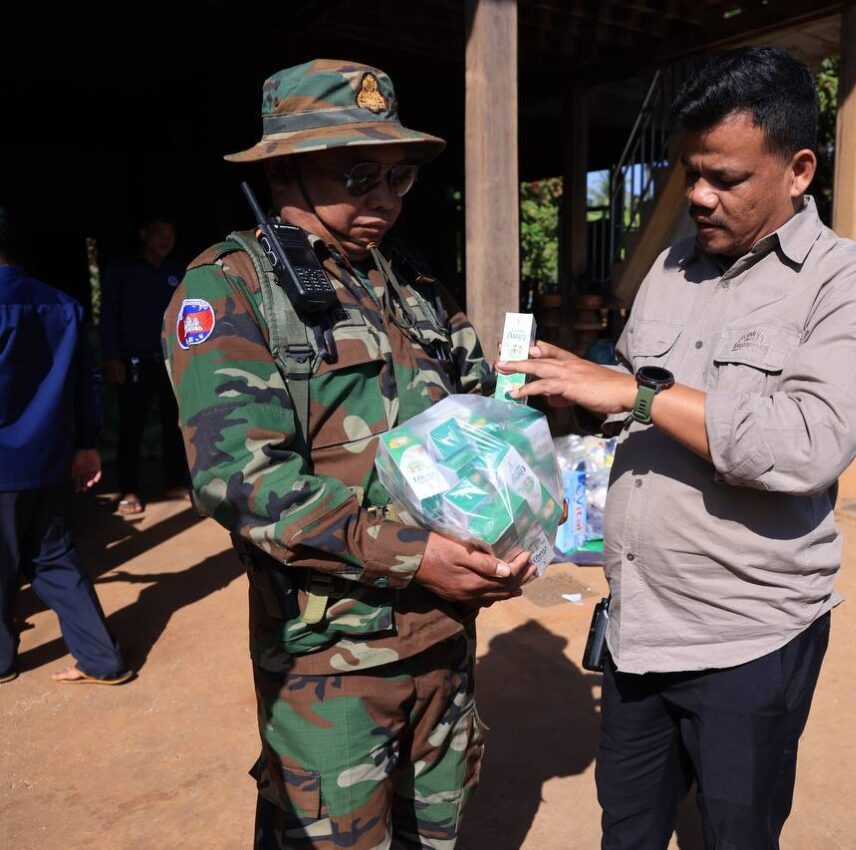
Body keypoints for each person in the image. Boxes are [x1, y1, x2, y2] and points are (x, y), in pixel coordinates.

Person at [499, 47, 856, 849]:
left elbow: (805, 447)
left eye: (725, 177)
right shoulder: (671, 267)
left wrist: (634, 393)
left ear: (797, 170)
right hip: (638, 626)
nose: (698, 196)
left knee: (733, 835)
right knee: (629, 832)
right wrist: (564, 398)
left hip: (745, 640)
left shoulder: (849, 288)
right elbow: (629, 408)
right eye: (690, 172)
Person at [163, 60, 535, 848]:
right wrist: (414, 556)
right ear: (283, 171)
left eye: (399, 177)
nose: (385, 200)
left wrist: (515, 522)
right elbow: (241, 481)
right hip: (330, 666)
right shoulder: (229, 288)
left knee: (434, 833)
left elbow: (480, 411)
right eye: (359, 175)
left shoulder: (411, 282)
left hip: (445, 638)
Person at [0, 205, 132, 686]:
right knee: (53, 555)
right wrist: (87, 444)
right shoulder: (63, 304)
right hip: (50, 458)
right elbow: (86, 382)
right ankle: (100, 658)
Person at [100, 215, 189, 515]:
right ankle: (129, 490)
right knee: (132, 427)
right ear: (144, 234)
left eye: (171, 233)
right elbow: (108, 316)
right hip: (133, 361)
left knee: (174, 424)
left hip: (170, 360)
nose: (166, 239)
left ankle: (174, 482)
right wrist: (112, 357)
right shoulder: (122, 270)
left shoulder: (179, 271)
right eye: (160, 232)